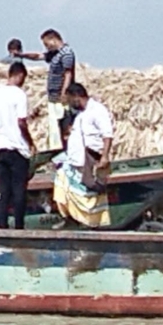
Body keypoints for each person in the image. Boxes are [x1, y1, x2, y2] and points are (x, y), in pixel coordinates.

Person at [53, 83, 113, 228]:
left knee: (89, 193)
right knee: (63, 184)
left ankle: (90, 222)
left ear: (76, 97)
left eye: (70, 100)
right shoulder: (81, 114)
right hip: (75, 160)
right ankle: (70, 218)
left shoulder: (97, 110)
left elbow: (107, 134)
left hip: (91, 157)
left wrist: (104, 156)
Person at [0, 62, 36, 229]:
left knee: (3, 190)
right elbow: (21, 122)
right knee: (19, 189)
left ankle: (2, 225)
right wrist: (30, 142)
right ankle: (19, 226)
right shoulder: (19, 95)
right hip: (17, 148)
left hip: (1, 147)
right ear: (20, 75)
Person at [14, 29, 76, 151]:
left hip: (60, 97)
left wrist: (64, 93)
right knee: (54, 129)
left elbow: (68, 74)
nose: (46, 47)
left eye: (46, 44)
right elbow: (38, 56)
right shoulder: (54, 54)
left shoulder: (66, 53)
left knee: (63, 124)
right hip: (53, 97)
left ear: (53, 40)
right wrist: (22, 55)